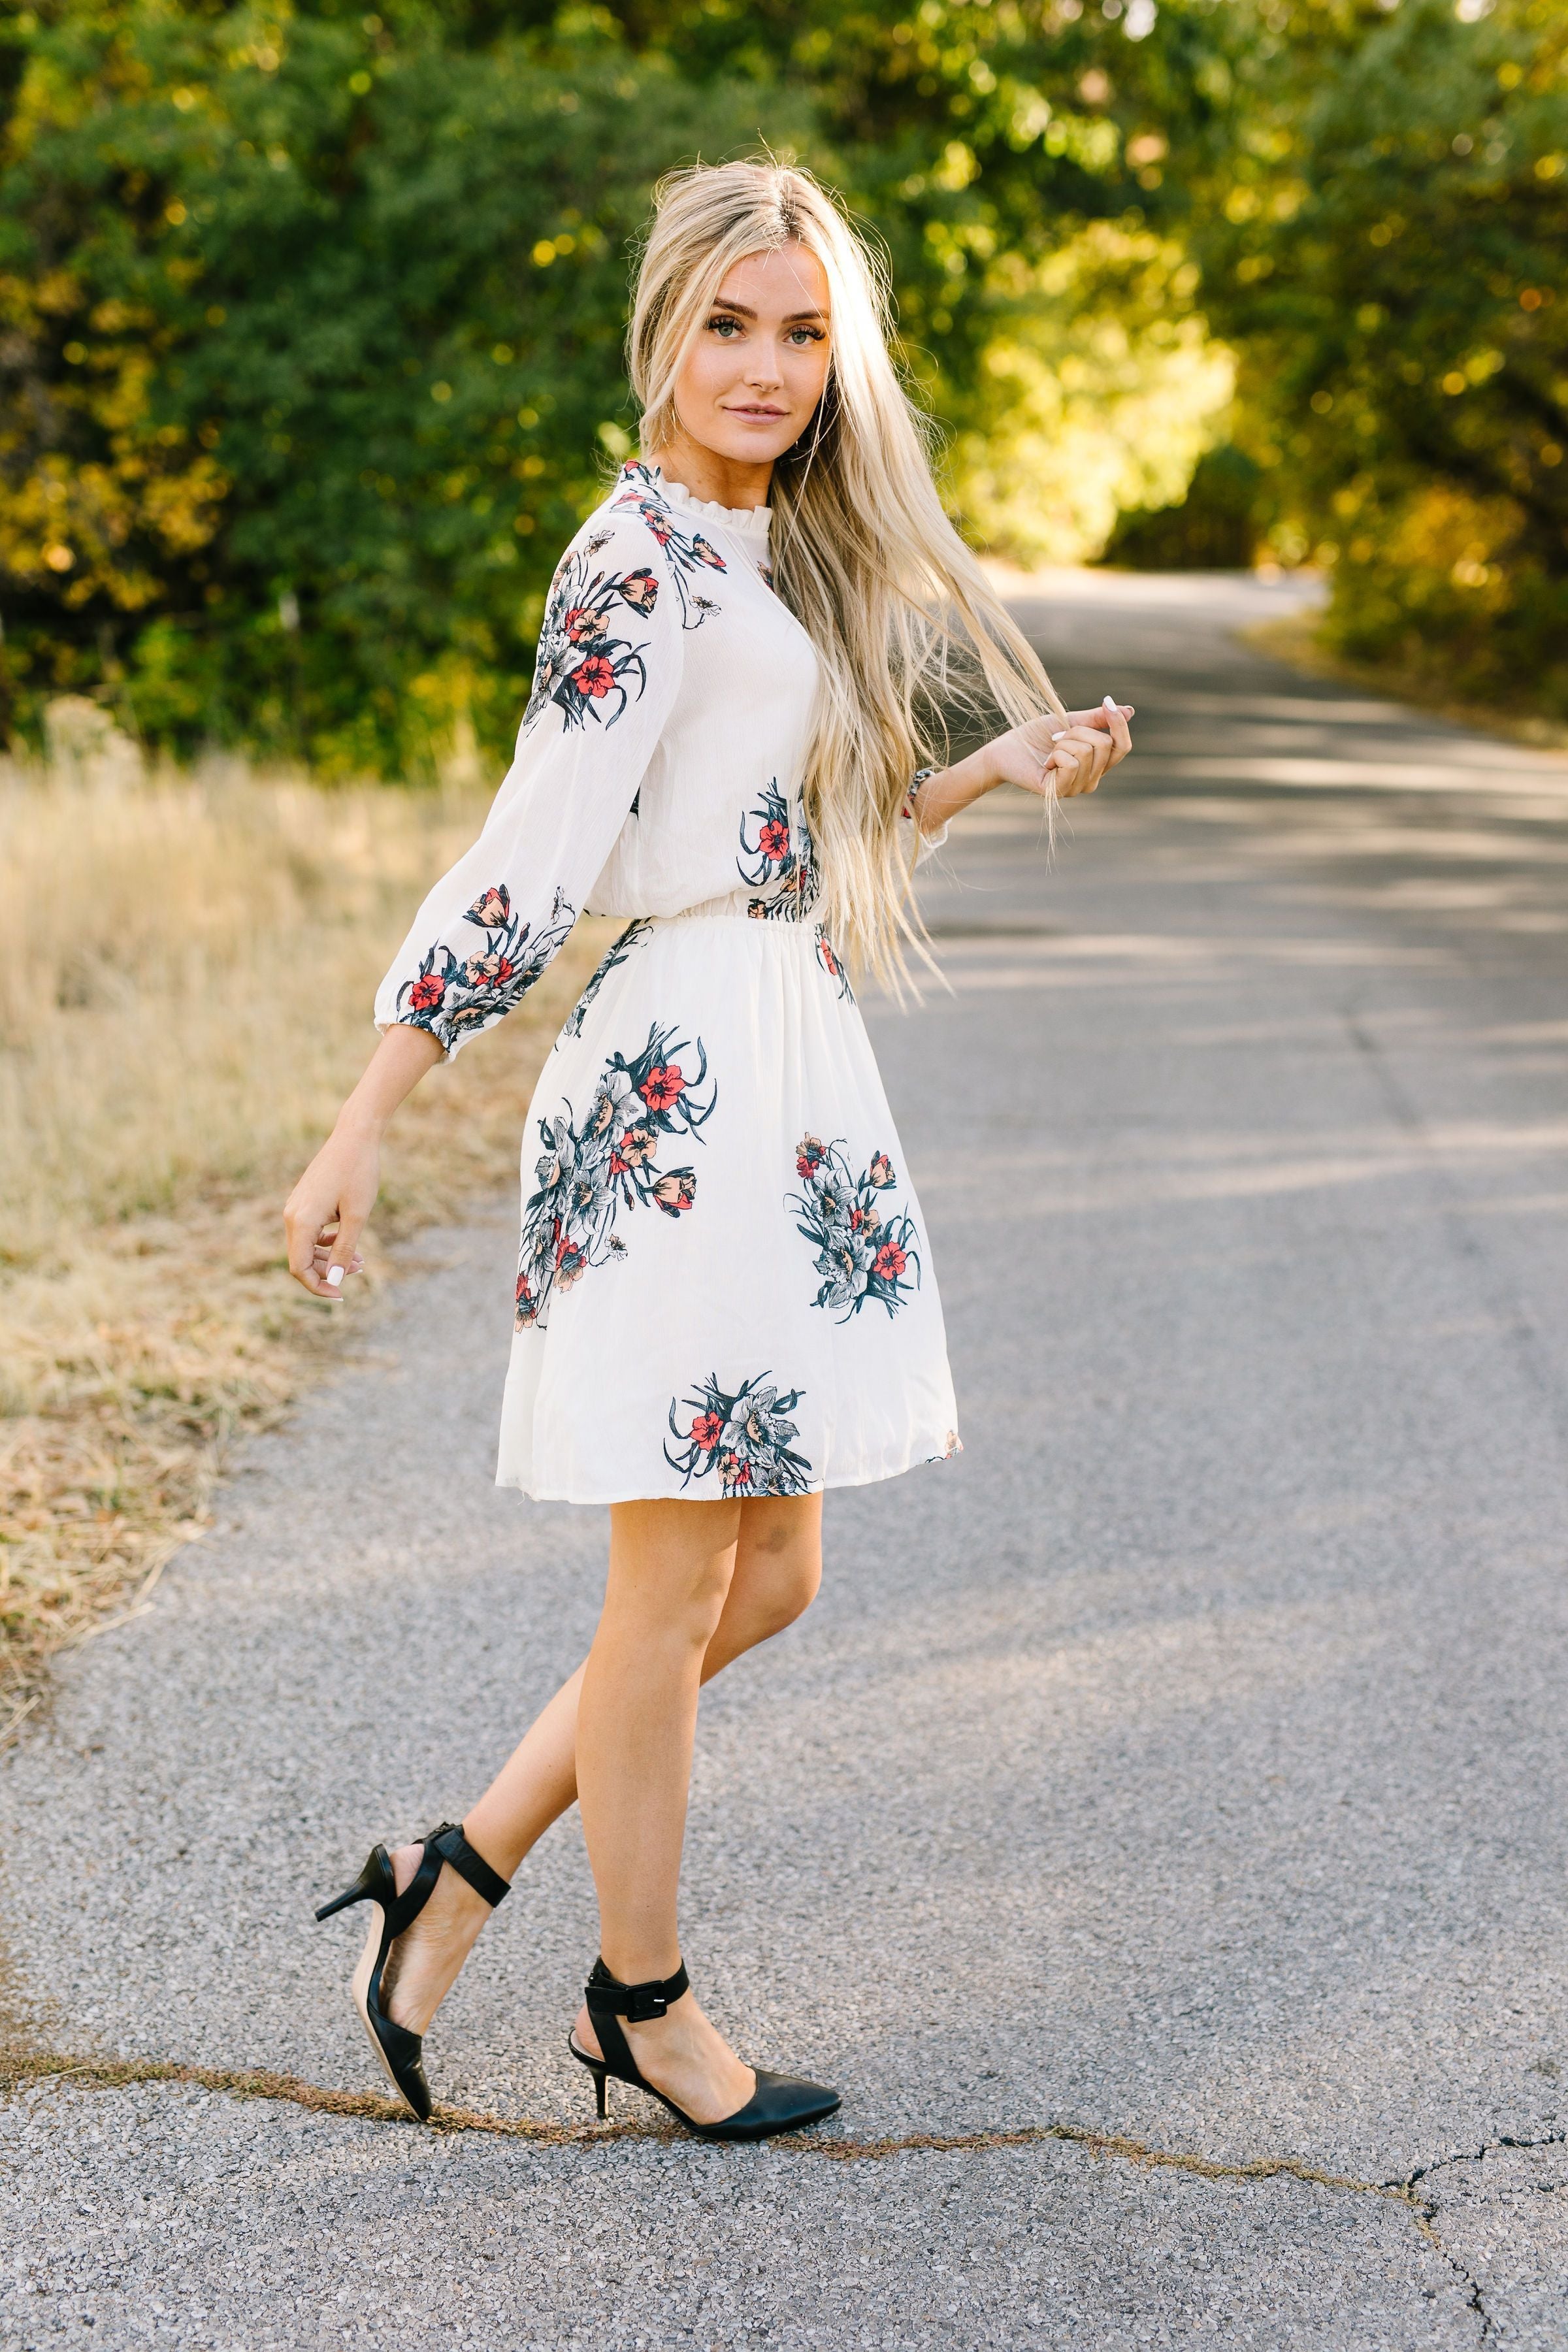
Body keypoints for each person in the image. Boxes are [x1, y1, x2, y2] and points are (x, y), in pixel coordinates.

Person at [289, 159, 1132, 2144]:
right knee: (670, 1591)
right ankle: (639, 2005)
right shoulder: (635, 562)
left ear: (842, 359)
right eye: (730, 325)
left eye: (803, 331)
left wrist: (979, 771)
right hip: (673, 1095)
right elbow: (535, 867)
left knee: (773, 1572)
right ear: (662, 330)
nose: (764, 366)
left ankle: (457, 1875)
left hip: (784, 1064)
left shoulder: (770, 550)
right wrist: (361, 1121)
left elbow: (773, 851)